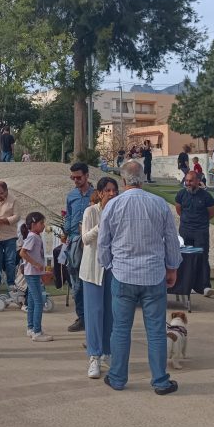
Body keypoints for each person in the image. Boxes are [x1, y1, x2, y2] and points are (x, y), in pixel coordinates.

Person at [98, 160, 180, 395]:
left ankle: (117, 377)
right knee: (155, 330)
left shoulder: (113, 206)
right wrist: (172, 267)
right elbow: (171, 239)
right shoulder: (159, 204)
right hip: (153, 274)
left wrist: (109, 265)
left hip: (123, 273)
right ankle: (160, 381)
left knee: (121, 329)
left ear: (123, 180)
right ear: (142, 178)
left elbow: (103, 243)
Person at [80, 176, 119, 379]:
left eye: (115, 191)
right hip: (92, 270)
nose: (112, 194)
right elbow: (85, 238)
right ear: (101, 192)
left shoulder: (119, 211)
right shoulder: (91, 212)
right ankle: (94, 356)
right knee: (94, 313)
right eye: (109, 190)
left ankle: (107, 352)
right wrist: (102, 224)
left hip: (112, 269)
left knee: (110, 314)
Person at [175, 170, 214, 298]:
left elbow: (211, 214)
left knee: (202, 257)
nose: (188, 183)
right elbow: (179, 210)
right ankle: (187, 285)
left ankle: (205, 286)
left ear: (198, 181)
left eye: (191, 181)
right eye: (186, 181)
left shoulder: (206, 196)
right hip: (185, 231)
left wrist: (199, 223)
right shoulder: (181, 194)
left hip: (201, 231)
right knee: (186, 257)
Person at [64, 163, 93, 332]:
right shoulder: (71, 195)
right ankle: (81, 317)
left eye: (78, 177)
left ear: (87, 176)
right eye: (73, 177)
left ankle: (92, 318)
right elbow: (68, 215)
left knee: (90, 282)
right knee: (76, 284)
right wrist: (67, 232)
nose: (75, 180)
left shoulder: (96, 194)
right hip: (75, 242)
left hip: (91, 242)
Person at [19, 213, 52, 342]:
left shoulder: (35, 237)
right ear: (33, 224)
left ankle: (31, 328)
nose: (43, 226)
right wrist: (36, 264)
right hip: (32, 273)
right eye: (41, 223)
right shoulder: (32, 237)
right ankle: (37, 332)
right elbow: (22, 252)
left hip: (33, 273)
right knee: (39, 302)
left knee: (33, 301)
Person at [0, 181, 20, 291]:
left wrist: (5, 220)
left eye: (1, 193)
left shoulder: (14, 199)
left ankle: (11, 282)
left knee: (10, 260)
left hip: (10, 235)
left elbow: (17, 216)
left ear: (6, 191)